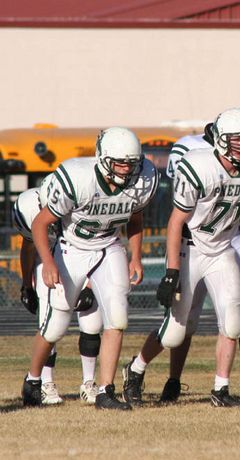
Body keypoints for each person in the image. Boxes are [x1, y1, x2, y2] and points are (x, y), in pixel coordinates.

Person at [122, 108, 240, 408]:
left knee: (233, 324)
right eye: (237, 140)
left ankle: (220, 389)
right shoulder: (198, 166)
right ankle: (135, 368)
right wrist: (172, 271)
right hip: (190, 249)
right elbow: (176, 222)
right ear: (220, 141)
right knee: (174, 333)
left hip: (222, 249)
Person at [21, 127, 158, 410]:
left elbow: (135, 217)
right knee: (55, 327)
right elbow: (40, 223)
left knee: (117, 319)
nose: (126, 169)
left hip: (109, 247)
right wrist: (47, 262)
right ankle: (33, 379)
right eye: (119, 162)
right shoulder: (78, 178)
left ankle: (105, 390)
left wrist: (136, 256)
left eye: (131, 163)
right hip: (72, 249)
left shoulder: (142, 179)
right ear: (103, 158)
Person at [13, 175, 102, 405]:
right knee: (49, 322)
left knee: (92, 320)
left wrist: (91, 284)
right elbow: (29, 245)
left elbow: (105, 242)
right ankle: (45, 382)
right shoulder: (27, 207)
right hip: (48, 259)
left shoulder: (84, 201)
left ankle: (89, 382)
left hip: (82, 255)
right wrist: (26, 285)